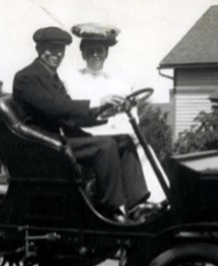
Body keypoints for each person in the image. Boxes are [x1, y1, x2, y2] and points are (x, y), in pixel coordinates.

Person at [12, 26, 150, 223]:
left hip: (60, 141)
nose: (56, 54)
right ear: (39, 49)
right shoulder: (26, 77)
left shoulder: (52, 78)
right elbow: (56, 107)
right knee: (106, 146)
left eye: (60, 49)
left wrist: (105, 112)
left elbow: (70, 116)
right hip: (44, 147)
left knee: (124, 141)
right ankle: (113, 210)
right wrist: (96, 102)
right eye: (51, 48)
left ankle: (137, 205)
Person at [62, 22, 168, 206]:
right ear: (83, 53)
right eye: (90, 50)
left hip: (115, 133)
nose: (95, 55)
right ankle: (122, 206)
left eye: (100, 50)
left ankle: (151, 202)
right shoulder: (70, 78)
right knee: (117, 145)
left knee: (141, 148)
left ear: (106, 53)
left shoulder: (117, 82)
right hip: (87, 135)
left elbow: (129, 112)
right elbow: (70, 111)